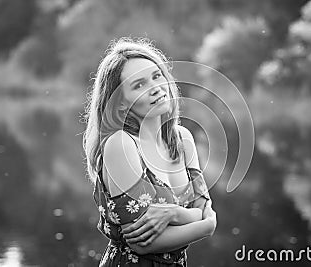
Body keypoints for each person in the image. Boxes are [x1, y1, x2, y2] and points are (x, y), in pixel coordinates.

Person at [83, 37, 217, 266]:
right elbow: (143, 243)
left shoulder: (183, 139)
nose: (155, 88)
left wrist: (173, 214)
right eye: (139, 85)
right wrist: (205, 227)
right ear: (121, 102)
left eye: (157, 76)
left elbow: (203, 210)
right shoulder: (121, 144)